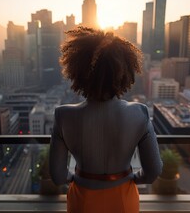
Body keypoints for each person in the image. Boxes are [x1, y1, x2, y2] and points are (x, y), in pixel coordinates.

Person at [49, 27, 162, 213]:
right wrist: (131, 178)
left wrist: (76, 178)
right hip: (124, 200)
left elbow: (58, 176)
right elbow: (153, 172)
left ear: (76, 71)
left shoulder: (63, 115)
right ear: (125, 71)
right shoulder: (140, 113)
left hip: (82, 200)